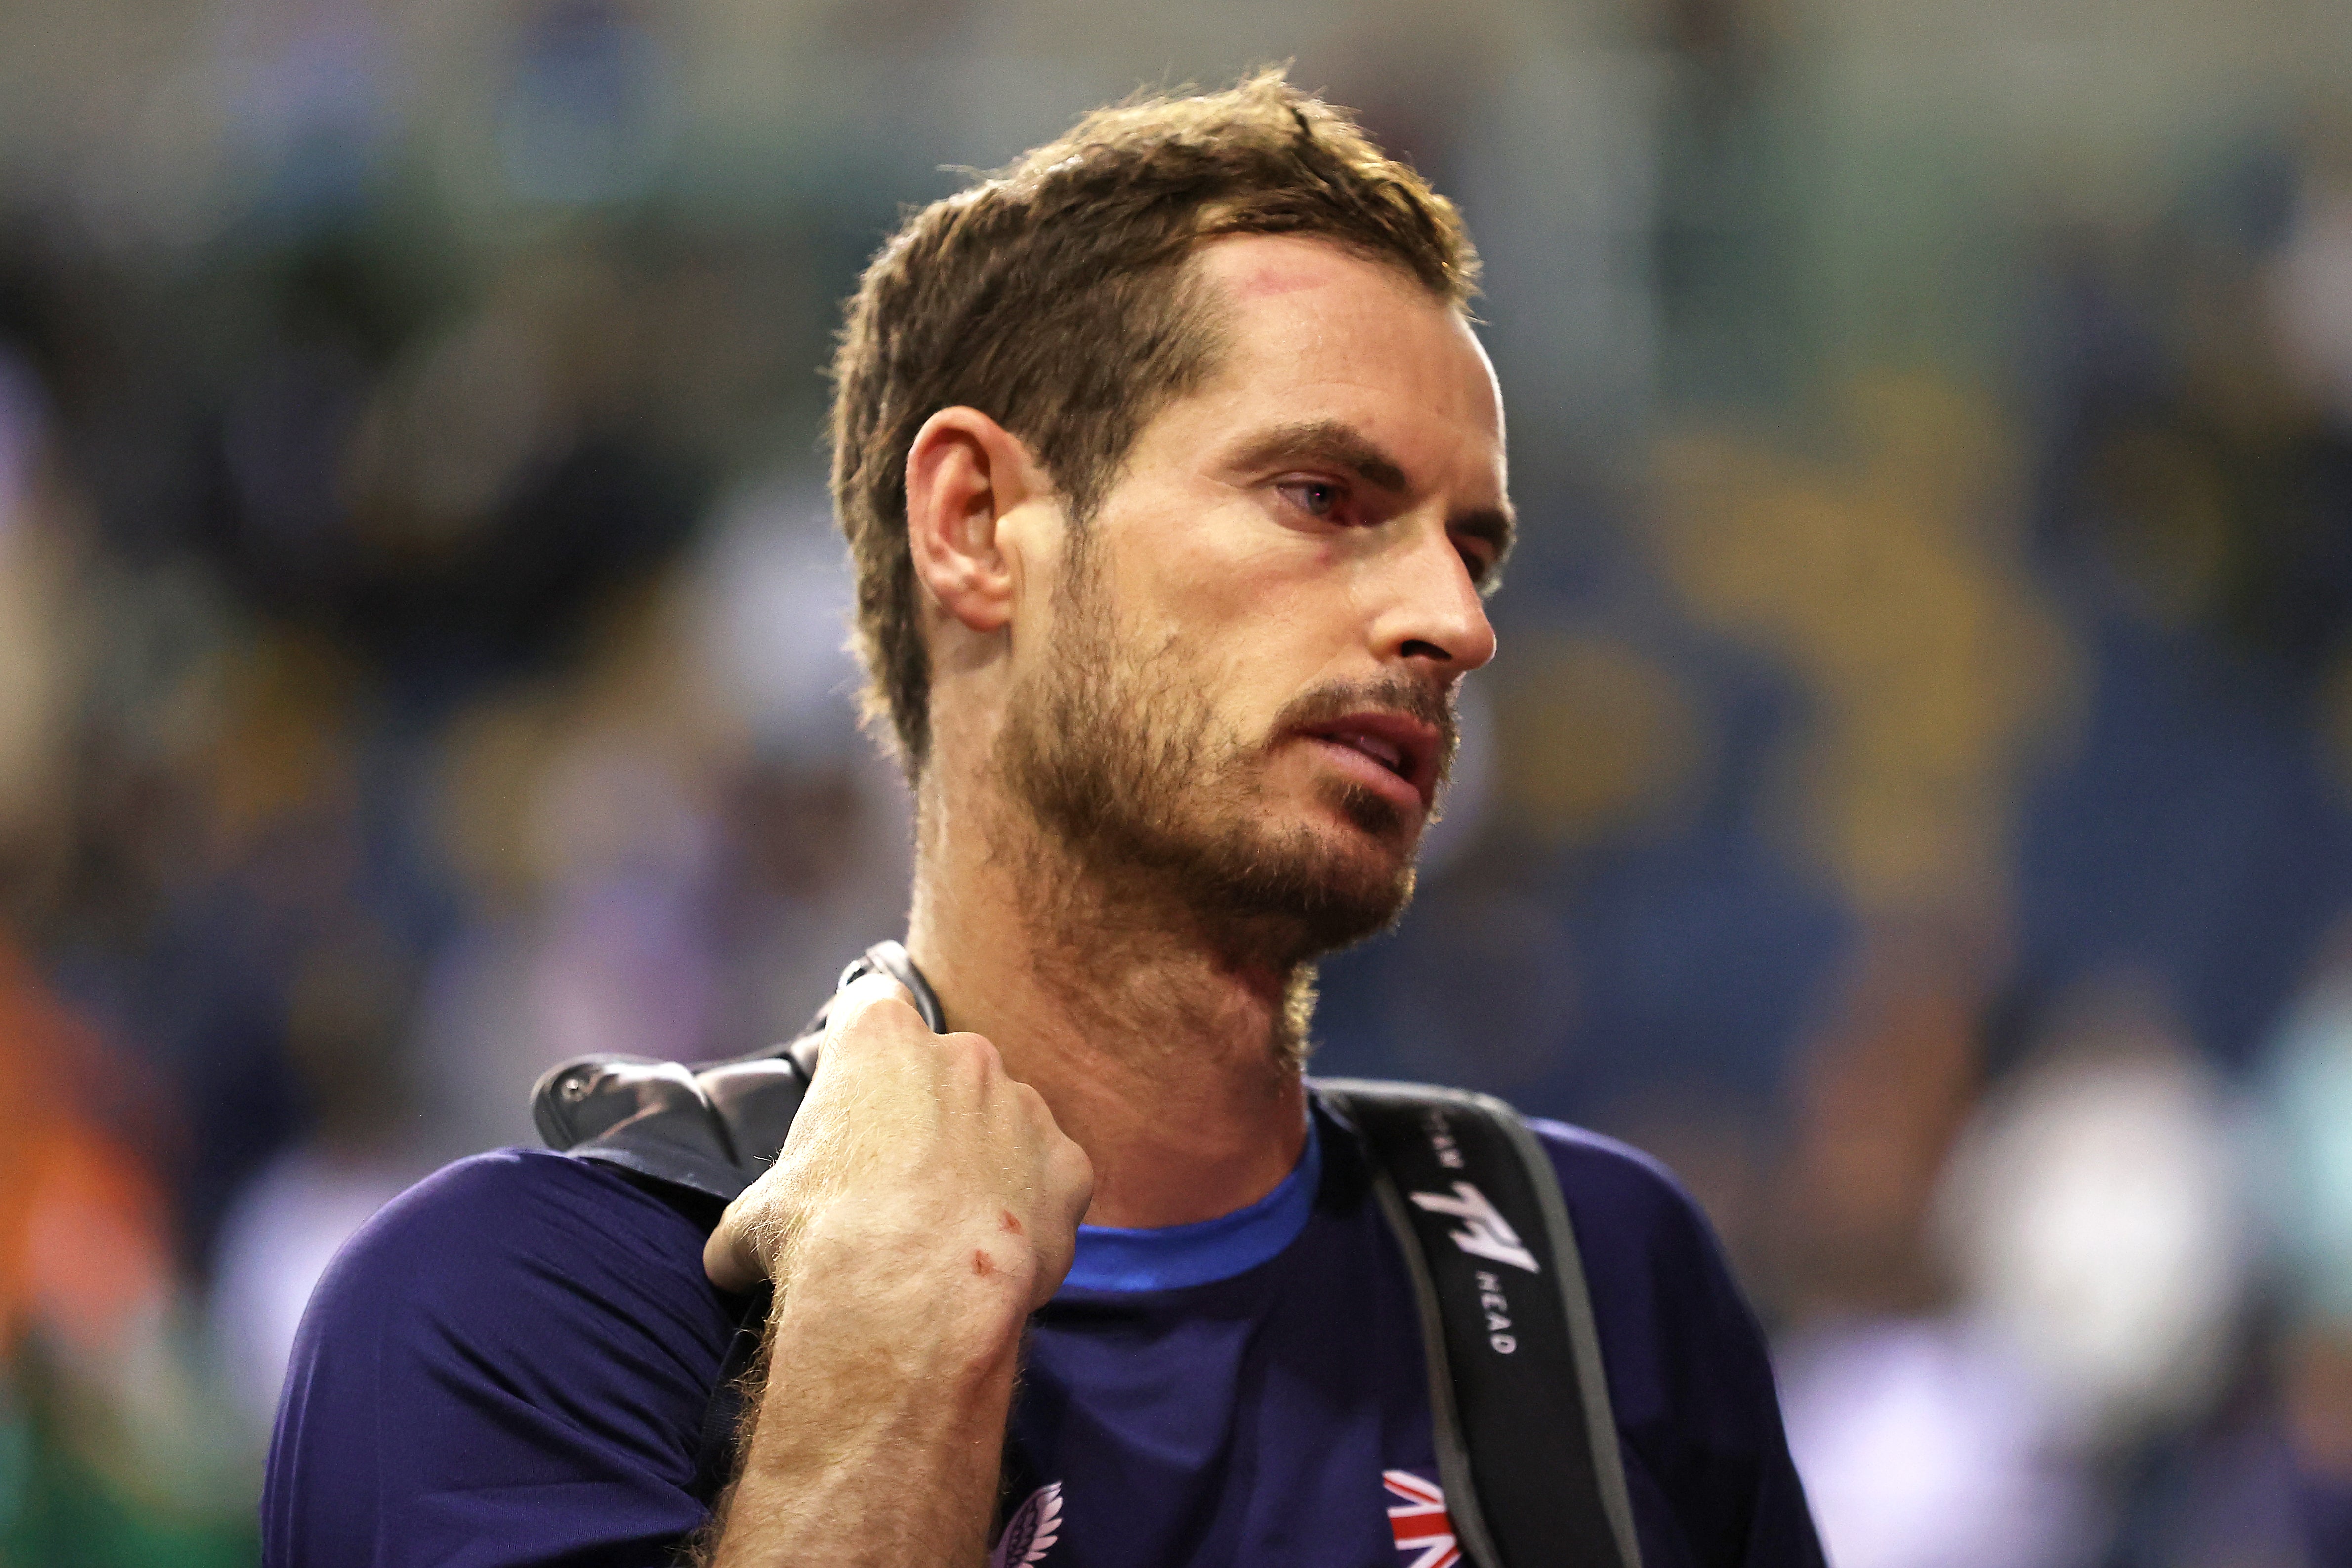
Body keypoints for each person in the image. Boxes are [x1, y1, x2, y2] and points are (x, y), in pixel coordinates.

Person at [264, 72, 1824, 1568]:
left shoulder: (1599, 1281)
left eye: (1467, 551)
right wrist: (881, 1355)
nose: (1452, 622)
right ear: (975, 527)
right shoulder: (517, 1315)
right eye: (1321, 499)